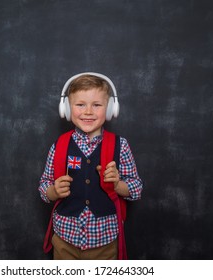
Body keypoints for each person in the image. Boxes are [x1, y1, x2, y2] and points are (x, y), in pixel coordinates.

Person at [38, 72, 143, 260]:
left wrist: (117, 184)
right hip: (64, 241)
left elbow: (136, 189)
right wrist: (53, 191)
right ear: (67, 110)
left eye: (97, 105)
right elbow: (44, 187)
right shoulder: (59, 145)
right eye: (80, 105)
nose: (88, 112)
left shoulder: (121, 146)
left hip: (105, 243)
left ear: (110, 109)